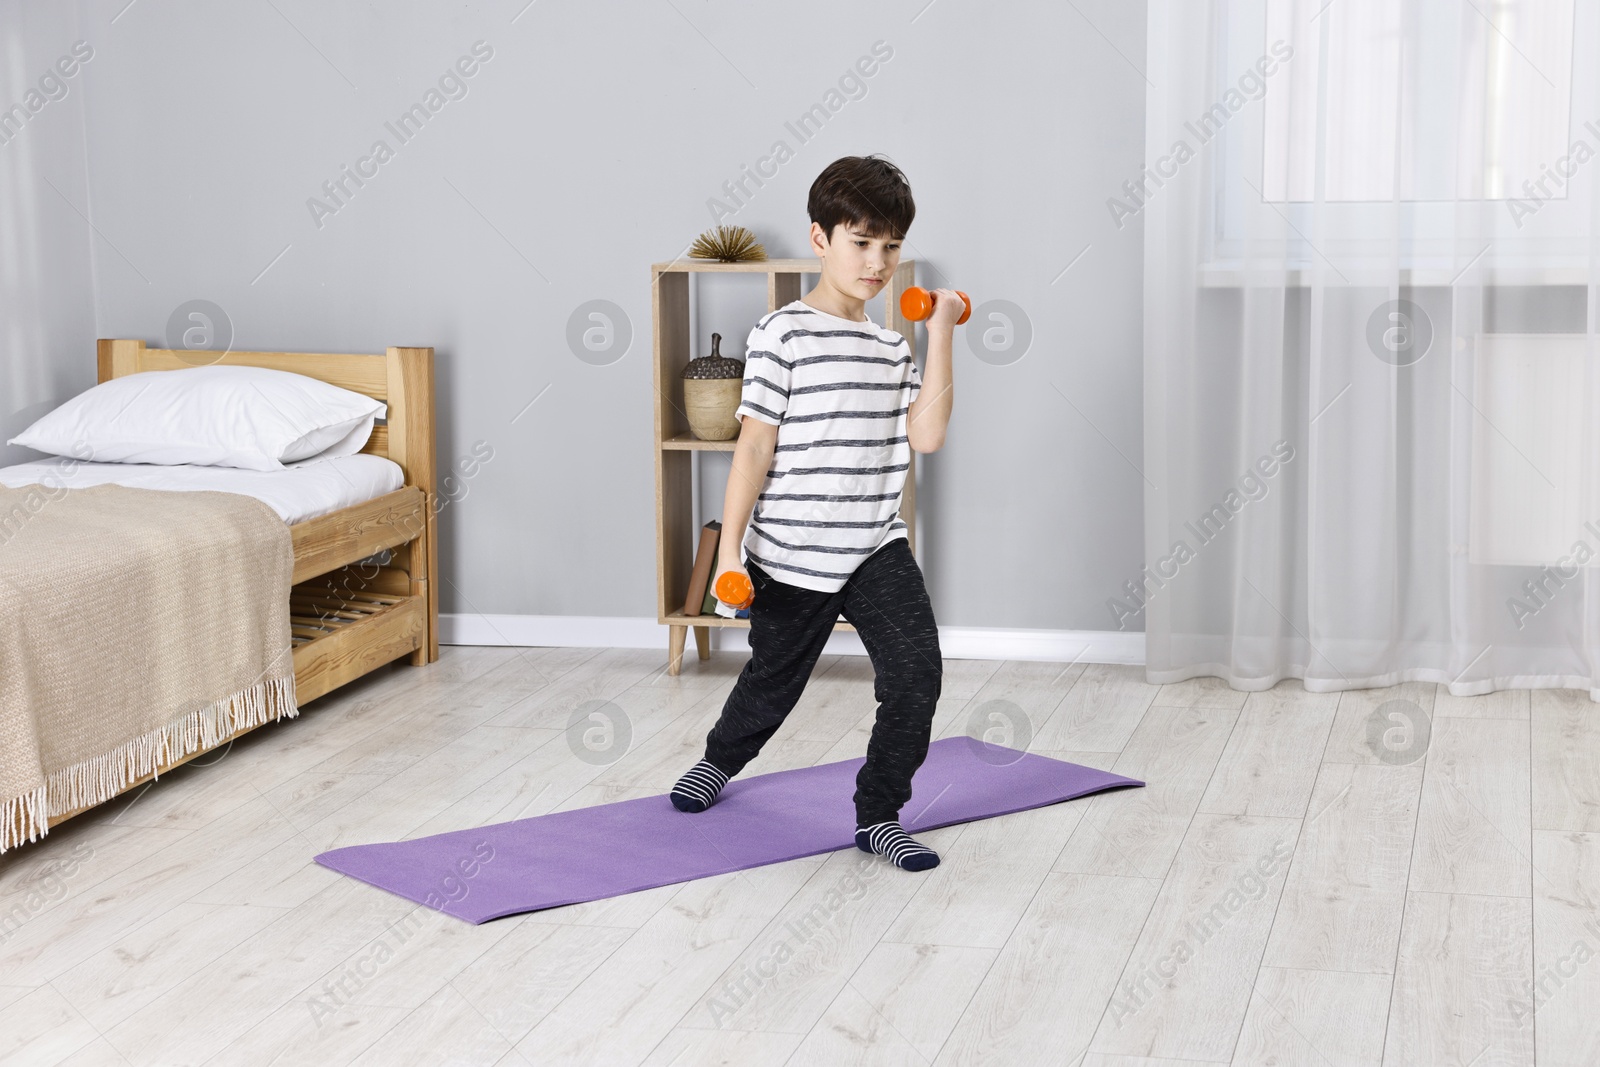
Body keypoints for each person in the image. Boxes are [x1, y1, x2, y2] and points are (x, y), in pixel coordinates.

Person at [669, 154, 962, 872]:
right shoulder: (781, 334)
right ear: (821, 239)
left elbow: (926, 436)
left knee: (917, 673)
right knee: (774, 679)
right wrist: (731, 551)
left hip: (873, 546)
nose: (877, 261)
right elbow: (752, 451)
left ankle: (879, 814)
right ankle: (719, 759)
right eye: (861, 242)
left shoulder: (892, 349)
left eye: (890, 246)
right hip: (791, 549)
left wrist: (943, 333)